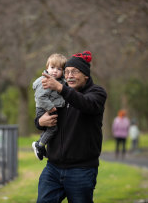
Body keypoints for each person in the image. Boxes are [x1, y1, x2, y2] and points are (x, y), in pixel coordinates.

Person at [34, 50, 107, 203]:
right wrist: (40, 122)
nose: (69, 76)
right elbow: (43, 117)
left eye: (74, 72)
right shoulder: (59, 93)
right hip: (53, 168)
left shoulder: (97, 93)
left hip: (81, 170)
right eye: (66, 72)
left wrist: (61, 89)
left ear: (86, 75)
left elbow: (86, 104)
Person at [32, 53, 67, 160]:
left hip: (48, 107)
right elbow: (40, 97)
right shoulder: (46, 81)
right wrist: (51, 108)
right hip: (44, 108)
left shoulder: (59, 81)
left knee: (50, 129)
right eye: (52, 67)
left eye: (59, 69)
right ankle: (40, 145)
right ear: (47, 67)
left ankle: (39, 144)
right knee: (52, 129)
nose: (55, 71)